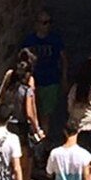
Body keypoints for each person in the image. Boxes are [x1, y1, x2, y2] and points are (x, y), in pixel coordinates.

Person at [22, 8, 66, 145]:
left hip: (51, 80)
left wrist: (64, 77)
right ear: (36, 23)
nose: (46, 25)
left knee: (46, 114)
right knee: (34, 112)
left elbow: (63, 59)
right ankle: (37, 139)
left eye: (48, 22)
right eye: (43, 22)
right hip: (34, 81)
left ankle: (43, 142)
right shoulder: (29, 41)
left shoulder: (55, 40)